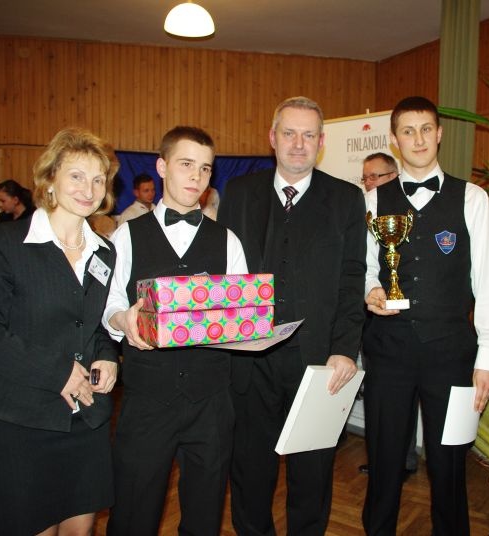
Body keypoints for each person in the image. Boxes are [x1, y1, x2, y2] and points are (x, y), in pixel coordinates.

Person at [0, 127, 121, 536]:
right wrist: (57, 372)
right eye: (76, 176)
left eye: (98, 179)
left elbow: (95, 323)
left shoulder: (105, 251)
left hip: (85, 422)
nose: (89, 189)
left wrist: (108, 356)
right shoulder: (5, 243)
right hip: (20, 422)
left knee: (79, 531)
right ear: (50, 179)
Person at [218, 96, 366, 535]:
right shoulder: (238, 194)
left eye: (308, 135)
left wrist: (345, 349)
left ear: (321, 142)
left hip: (317, 361)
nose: (298, 144)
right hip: (249, 359)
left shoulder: (346, 199)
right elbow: (224, 274)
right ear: (272, 137)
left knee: (313, 473)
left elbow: (352, 279)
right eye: (289, 133)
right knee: (249, 470)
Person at [362, 96, 489, 535]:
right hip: (389, 349)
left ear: (439, 133)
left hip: (451, 354)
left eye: (426, 129)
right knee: (384, 460)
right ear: (395, 139)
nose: (418, 139)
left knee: (450, 465)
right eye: (408, 131)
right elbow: (365, 267)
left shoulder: (473, 198)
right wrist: (370, 291)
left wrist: (487, 357)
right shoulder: (373, 199)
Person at [104, 126, 247, 536]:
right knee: (133, 512)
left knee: (205, 515)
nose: (196, 177)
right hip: (147, 399)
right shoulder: (127, 234)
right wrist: (123, 320)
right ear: (162, 167)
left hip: (211, 400)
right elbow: (109, 304)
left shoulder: (228, 241)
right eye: (186, 164)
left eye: (205, 168)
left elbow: (242, 313)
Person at [357, 151, 418, 479]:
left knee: (405, 399)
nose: (369, 182)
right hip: (372, 324)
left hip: (409, 326)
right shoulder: (366, 211)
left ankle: (404, 460)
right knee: (379, 400)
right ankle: (382, 459)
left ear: (394, 176)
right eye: (365, 177)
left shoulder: (408, 216)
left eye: (375, 176)